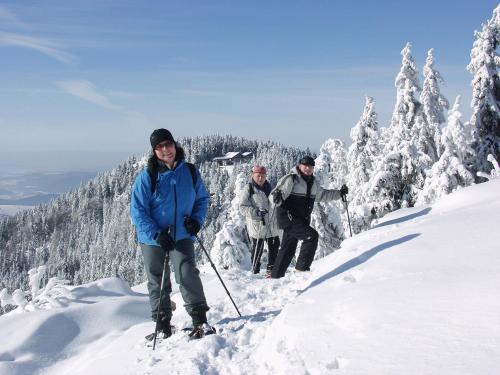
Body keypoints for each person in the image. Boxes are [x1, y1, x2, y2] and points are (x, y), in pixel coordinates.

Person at [130, 128, 215, 339]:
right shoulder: (148, 176)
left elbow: (202, 199)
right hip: (153, 239)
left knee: (187, 273)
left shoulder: (190, 171)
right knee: (157, 280)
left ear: (174, 145)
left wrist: (197, 220)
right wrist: (157, 234)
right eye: (159, 147)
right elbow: (137, 210)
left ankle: (199, 320)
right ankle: (162, 324)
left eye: (168, 144)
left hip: (182, 235)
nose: (165, 150)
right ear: (154, 151)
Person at [270, 155, 348, 278]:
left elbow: (323, 195)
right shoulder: (291, 179)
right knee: (311, 237)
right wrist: (277, 197)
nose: (308, 169)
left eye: (311, 167)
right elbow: (274, 194)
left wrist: (339, 193)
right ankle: (302, 270)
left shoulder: (313, 183)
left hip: (300, 219)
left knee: (288, 248)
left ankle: (276, 276)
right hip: (289, 218)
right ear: (300, 166)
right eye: (305, 166)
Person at [239, 165, 280, 278]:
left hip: (271, 224)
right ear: (253, 175)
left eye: (263, 176)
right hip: (258, 225)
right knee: (258, 249)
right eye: (258, 176)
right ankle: (255, 271)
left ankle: (271, 270)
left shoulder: (270, 188)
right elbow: (242, 207)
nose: (260, 178)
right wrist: (256, 212)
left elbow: (275, 204)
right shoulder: (249, 188)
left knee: (274, 245)